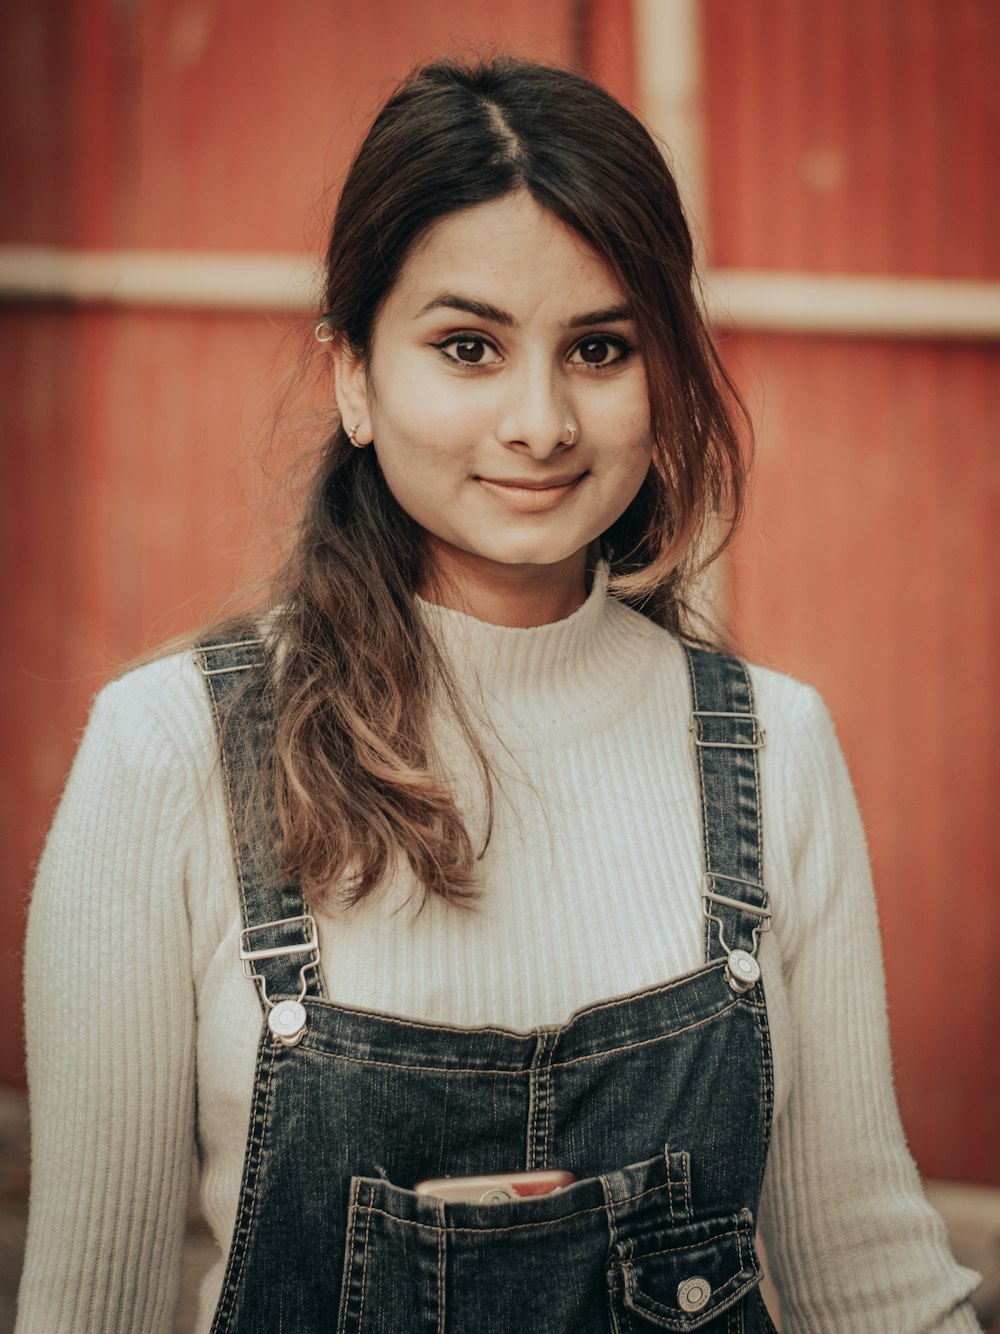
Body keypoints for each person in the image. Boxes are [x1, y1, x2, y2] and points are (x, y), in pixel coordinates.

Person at [17, 57, 981, 1334]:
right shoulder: (170, 751)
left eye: (598, 347)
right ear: (353, 375)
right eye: (467, 346)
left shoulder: (773, 748)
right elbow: (95, 1306)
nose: (541, 421)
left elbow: (866, 1272)